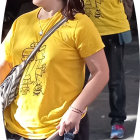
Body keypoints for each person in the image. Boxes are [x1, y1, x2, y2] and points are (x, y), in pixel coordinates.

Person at [0, 0, 109, 140]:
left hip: (59, 129)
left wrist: (76, 109)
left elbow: (101, 72)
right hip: (15, 127)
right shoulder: (21, 22)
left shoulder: (79, 23)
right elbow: (4, 63)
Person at [84, 0, 132, 139]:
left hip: (113, 28)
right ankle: (74, 121)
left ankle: (118, 121)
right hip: (84, 30)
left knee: (115, 79)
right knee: (78, 80)